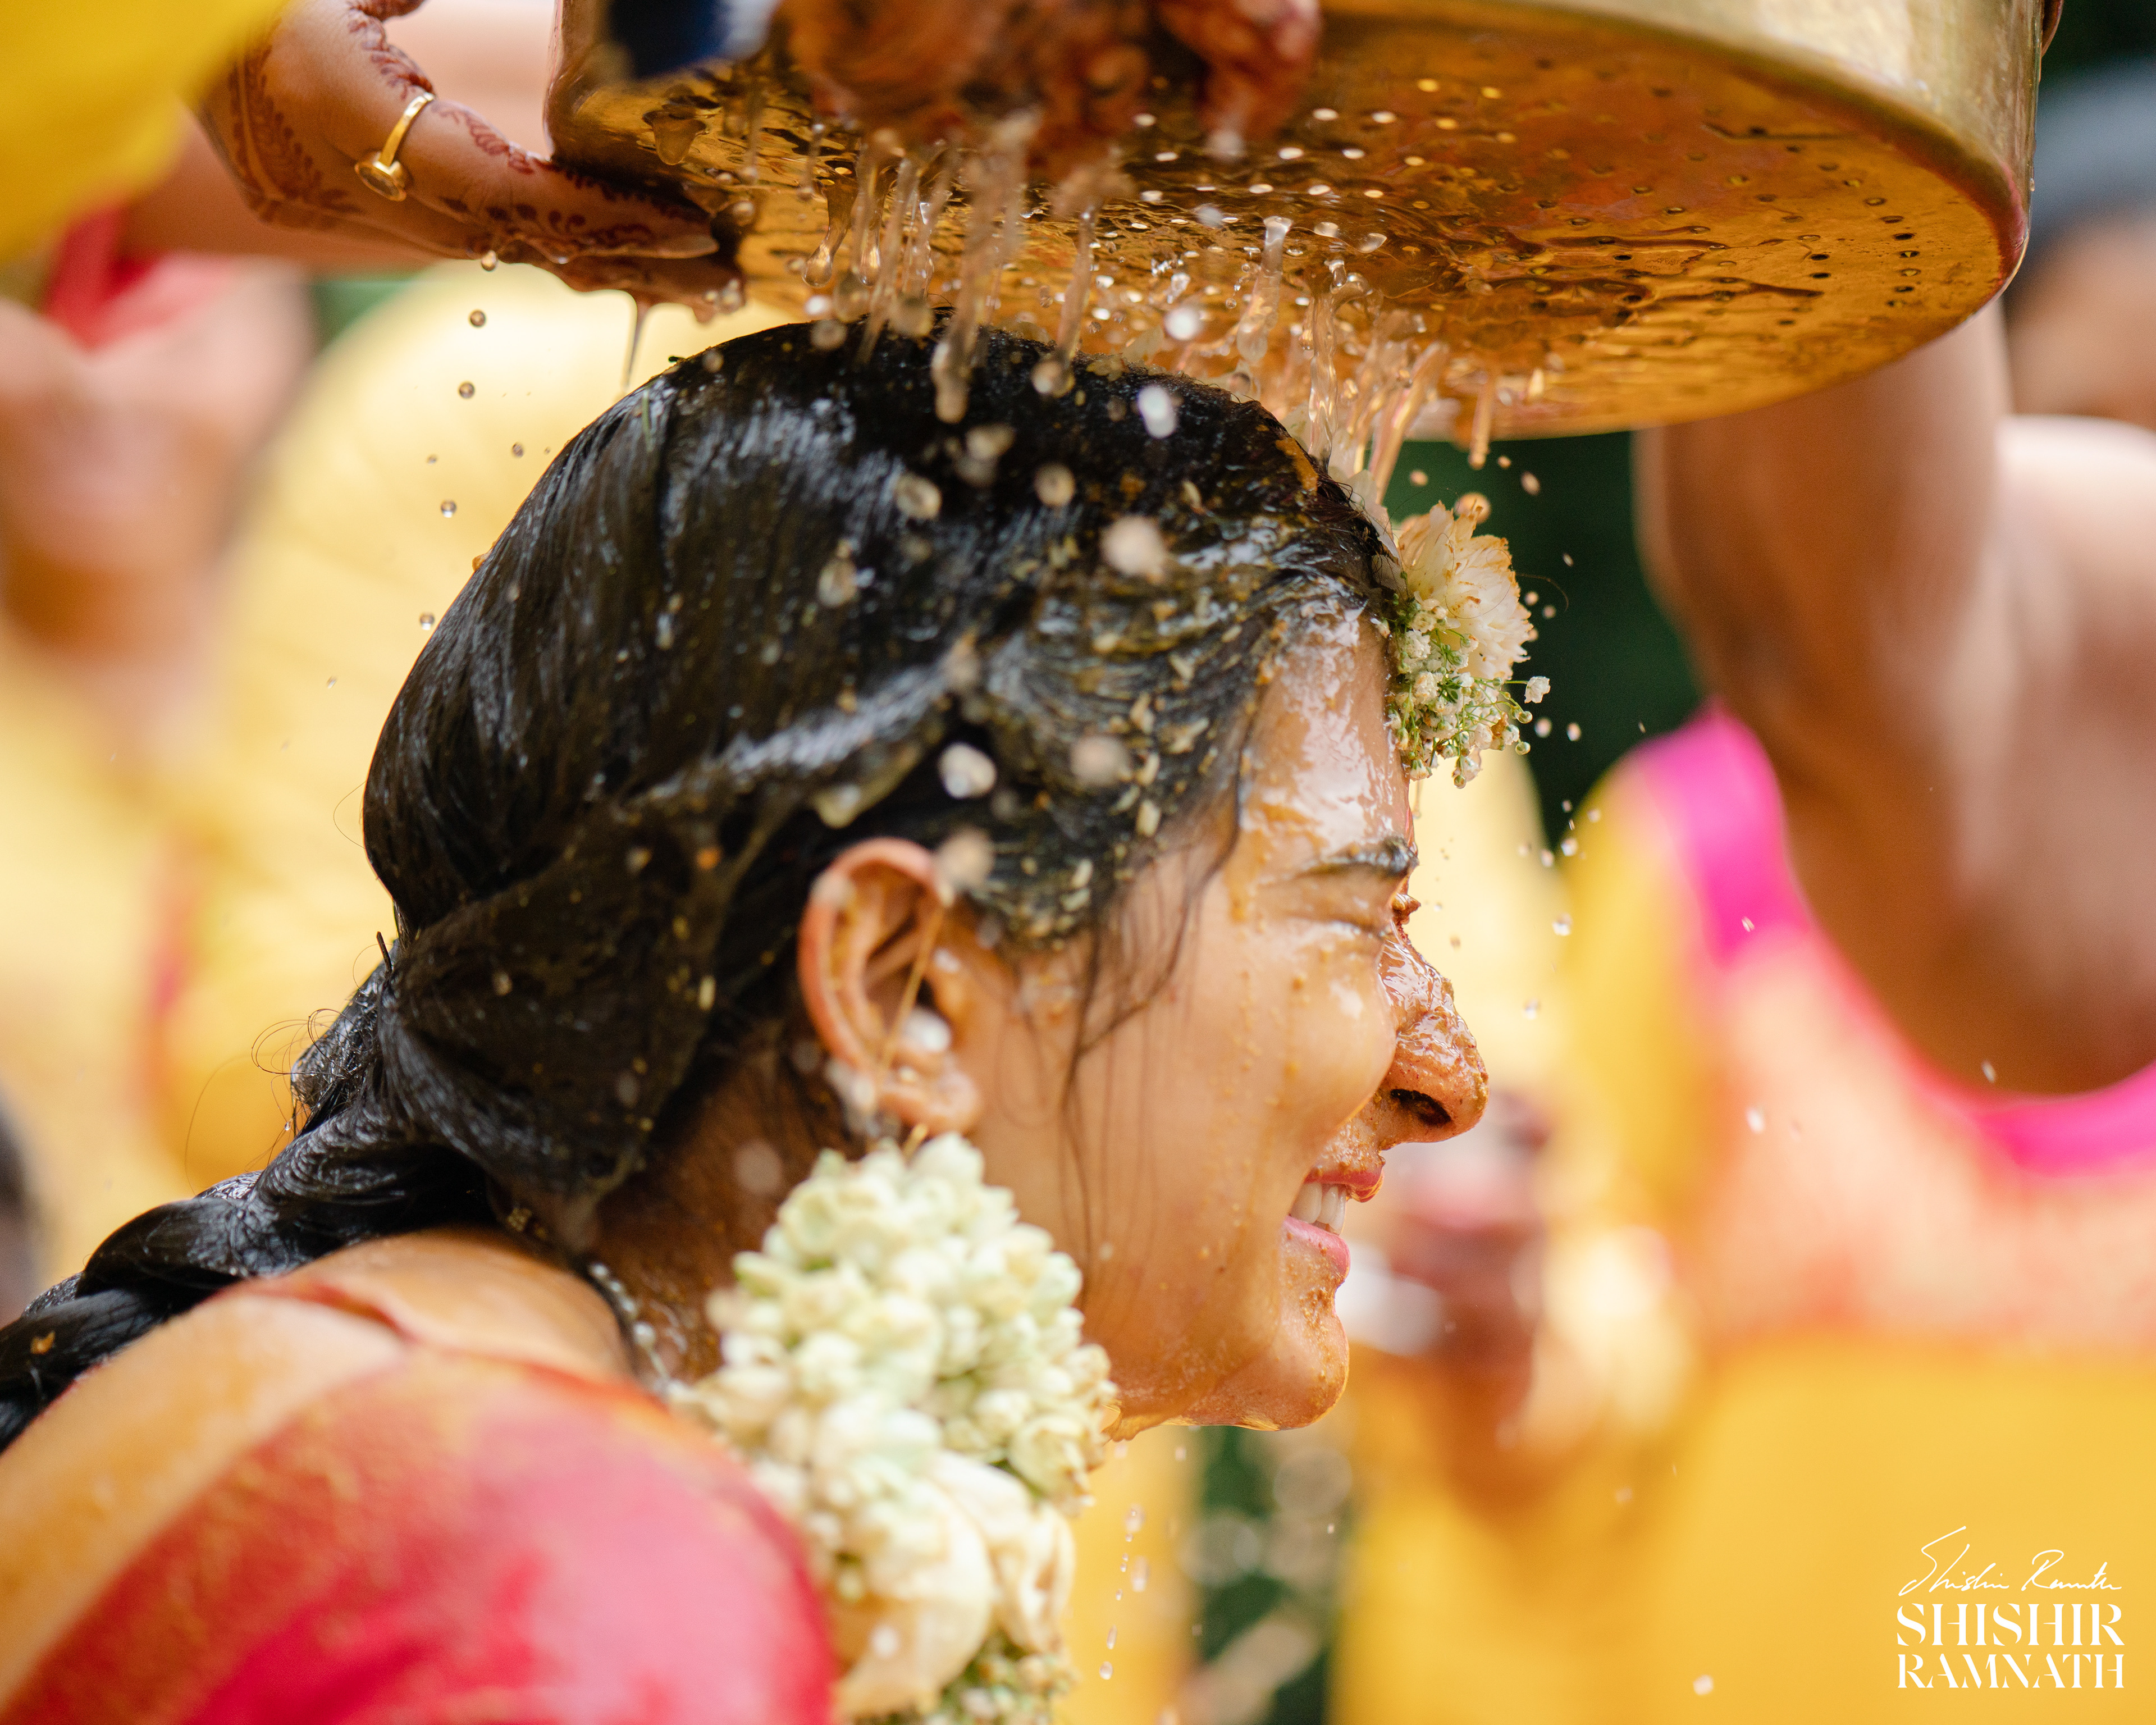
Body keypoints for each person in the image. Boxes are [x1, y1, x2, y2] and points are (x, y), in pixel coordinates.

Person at [0, 322, 1486, 1718]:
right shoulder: (578, 1567)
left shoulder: (458, 1396)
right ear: (905, 986)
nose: (1448, 1074)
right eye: (1357, 920)